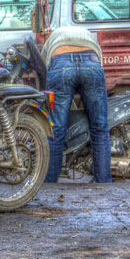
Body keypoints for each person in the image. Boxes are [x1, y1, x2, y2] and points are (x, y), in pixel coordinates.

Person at [41, 26, 111, 184]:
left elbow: (46, 66)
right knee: (100, 128)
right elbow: (98, 57)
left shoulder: (52, 39)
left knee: (56, 130)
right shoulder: (88, 35)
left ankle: (50, 184)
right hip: (92, 65)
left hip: (60, 63)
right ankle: (105, 183)